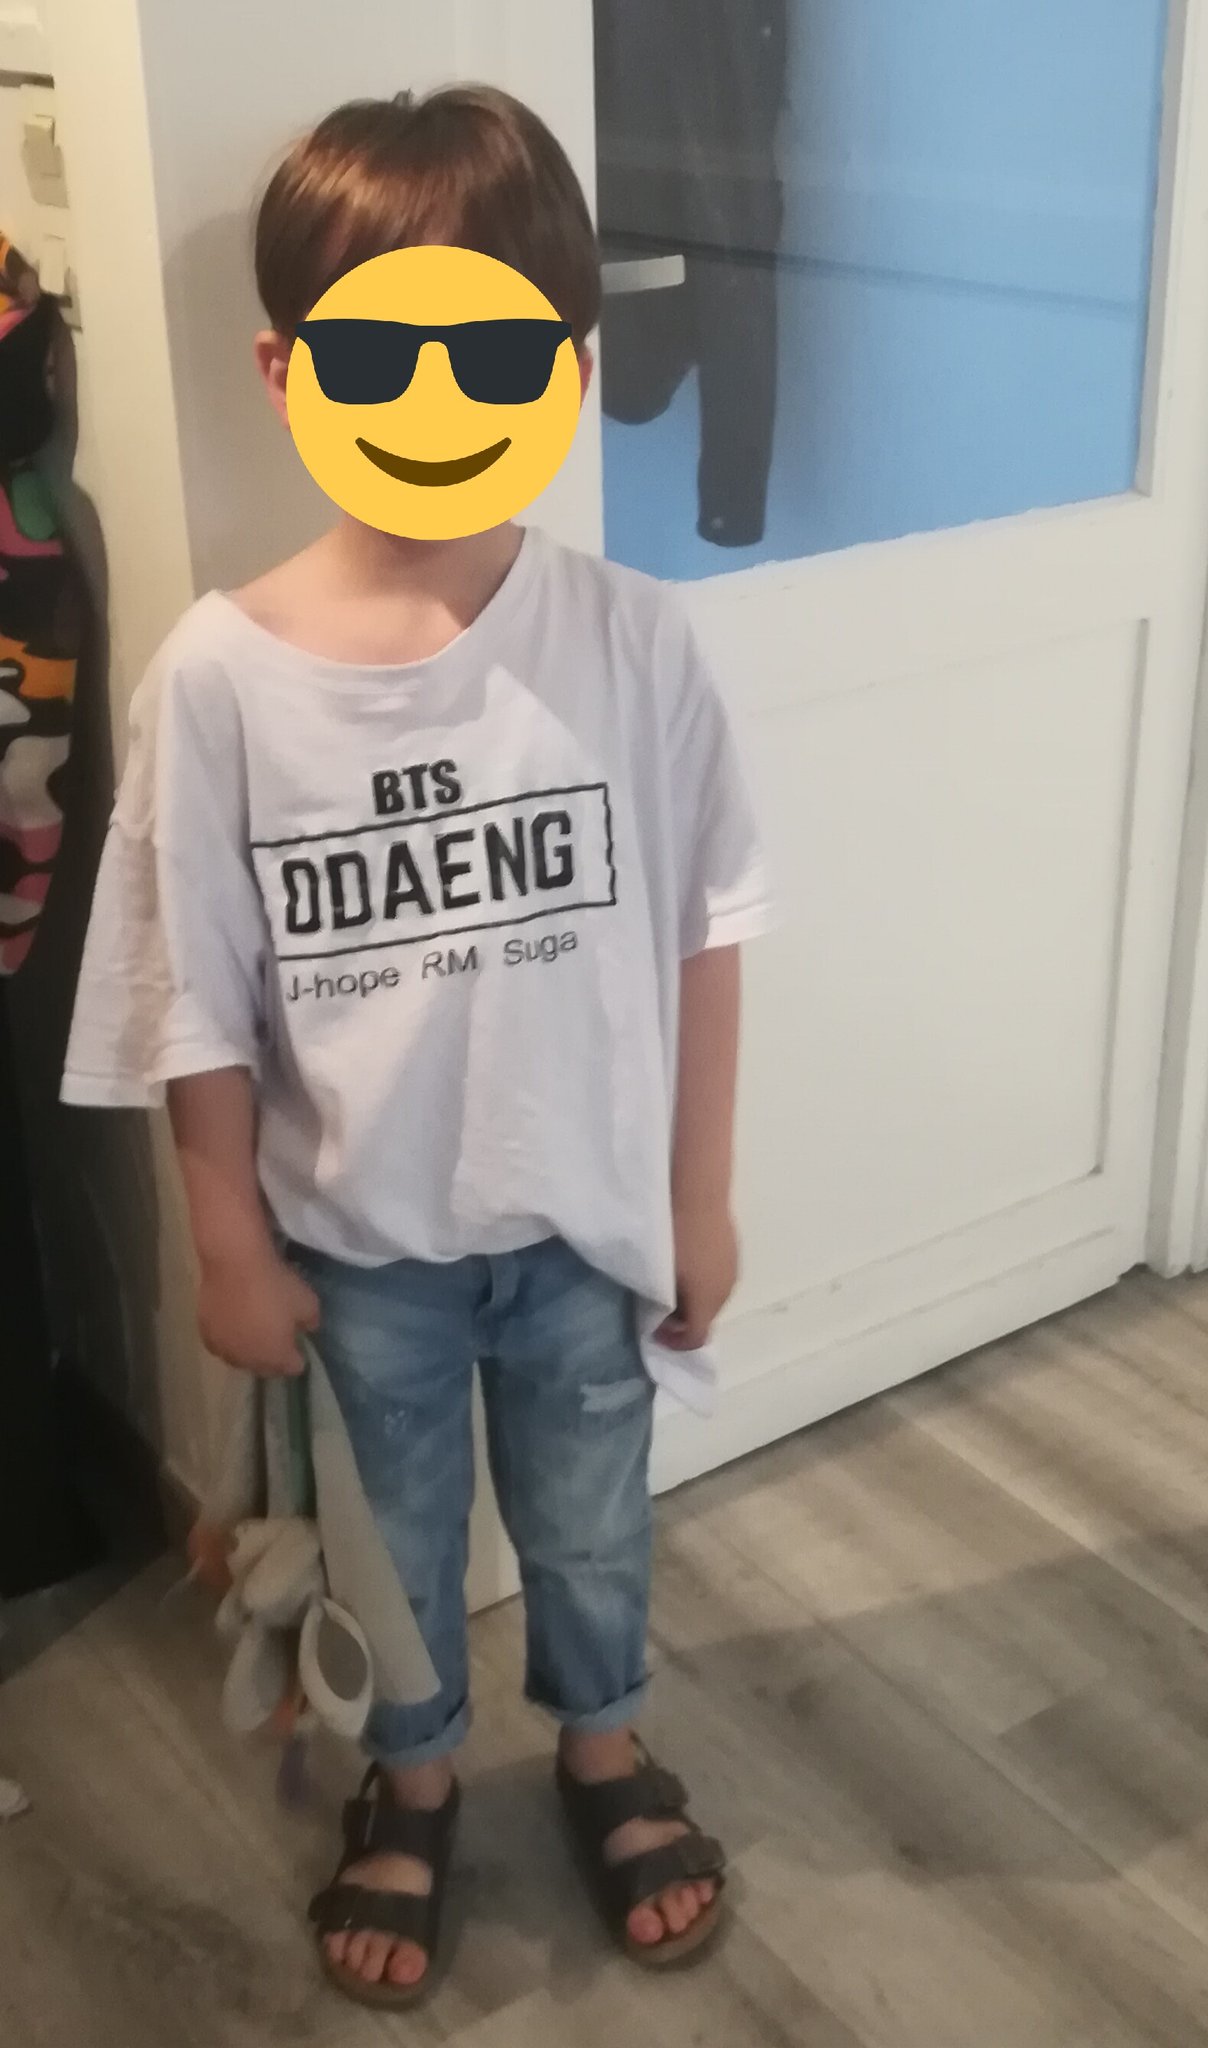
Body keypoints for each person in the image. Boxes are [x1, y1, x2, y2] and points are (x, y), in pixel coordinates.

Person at [63, 85, 769, 2007]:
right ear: (291, 372)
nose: (443, 398)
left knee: (589, 1525)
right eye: (386, 356)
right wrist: (225, 1236)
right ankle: (418, 1771)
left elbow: (707, 925)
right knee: (388, 1536)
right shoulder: (221, 680)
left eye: (497, 355)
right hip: (360, 1240)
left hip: (587, 1227)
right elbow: (191, 992)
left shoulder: (635, 644)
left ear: (569, 370)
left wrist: (700, 1198)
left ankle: (606, 1746)